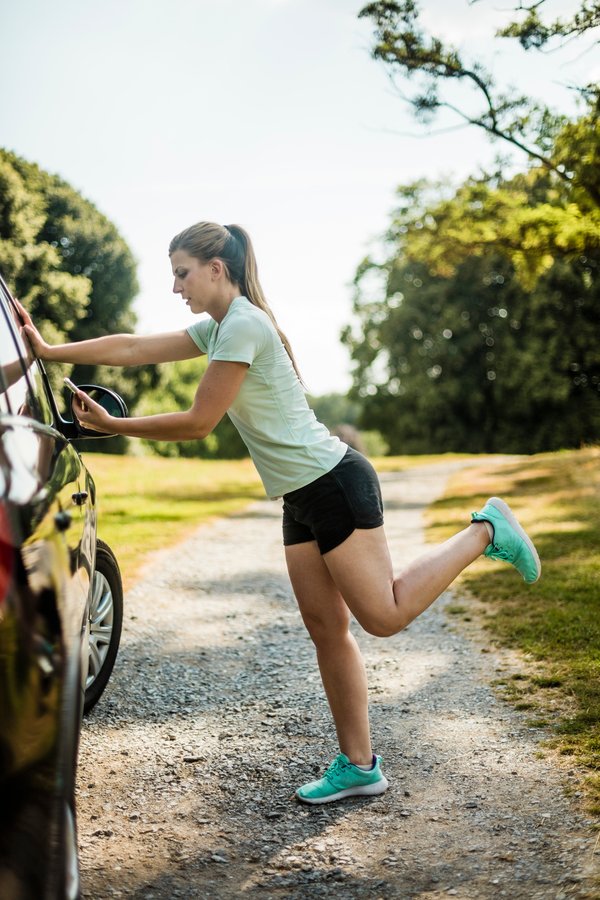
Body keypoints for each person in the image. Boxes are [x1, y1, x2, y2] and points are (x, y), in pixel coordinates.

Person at [17, 221, 541, 805]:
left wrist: (113, 426)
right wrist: (46, 349)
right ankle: (360, 765)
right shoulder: (220, 328)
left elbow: (198, 422)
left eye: (182, 274)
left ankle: (488, 528)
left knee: (384, 616)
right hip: (301, 494)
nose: (176, 287)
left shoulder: (242, 324)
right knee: (326, 628)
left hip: (334, 483)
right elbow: (135, 348)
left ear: (217, 269)